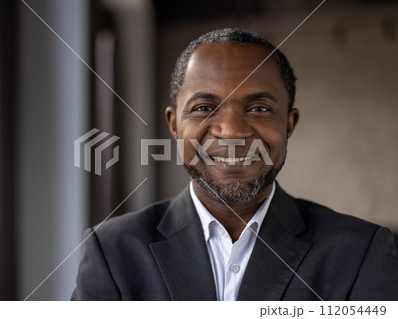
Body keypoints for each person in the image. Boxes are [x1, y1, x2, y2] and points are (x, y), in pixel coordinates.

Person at [71, 28, 398, 301]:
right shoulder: (112, 251)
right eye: (203, 108)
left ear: (288, 124)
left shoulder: (360, 251)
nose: (231, 131)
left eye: (258, 108)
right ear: (174, 125)